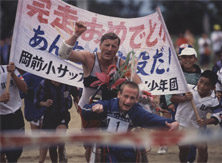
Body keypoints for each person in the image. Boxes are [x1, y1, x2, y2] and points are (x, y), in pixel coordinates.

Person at [58, 21, 142, 161]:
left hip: (113, 110)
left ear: (117, 49)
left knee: (116, 145)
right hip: (89, 109)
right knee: (90, 147)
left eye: (113, 46)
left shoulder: (121, 64)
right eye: (106, 45)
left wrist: (144, 92)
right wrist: (76, 34)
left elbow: (136, 80)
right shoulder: (89, 58)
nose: (109, 49)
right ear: (100, 45)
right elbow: (63, 53)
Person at [81, 81, 179, 162]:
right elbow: (85, 111)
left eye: (132, 98)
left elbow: (153, 119)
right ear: (119, 95)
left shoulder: (137, 111)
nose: (128, 101)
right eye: (125, 96)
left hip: (127, 150)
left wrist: (172, 123)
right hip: (107, 150)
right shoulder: (108, 105)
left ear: (137, 99)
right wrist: (93, 109)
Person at [173, 70, 222, 162]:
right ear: (198, 80)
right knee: (184, 149)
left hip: (197, 128)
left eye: (207, 84)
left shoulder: (213, 100)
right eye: (201, 81)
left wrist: (206, 122)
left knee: (203, 148)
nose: (202, 86)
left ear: (213, 87)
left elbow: (219, 115)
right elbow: (173, 99)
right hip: (181, 124)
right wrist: (184, 98)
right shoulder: (187, 89)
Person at [34, 79, 79, 163]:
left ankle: (62, 152)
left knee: (60, 136)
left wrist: (78, 106)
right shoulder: (44, 84)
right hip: (49, 116)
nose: (56, 82)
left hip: (63, 114)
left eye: (57, 81)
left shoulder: (68, 82)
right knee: (52, 144)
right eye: (53, 81)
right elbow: (36, 102)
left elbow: (76, 96)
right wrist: (45, 103)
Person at [0, 62, 27, 162]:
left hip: (15, 115)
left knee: (15, 153)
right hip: (1, 117)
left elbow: (25, 88)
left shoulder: (9, 69)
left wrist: (13, 74)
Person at [20, 72, 47, 162]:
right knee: (38, 139)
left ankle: (41, 160)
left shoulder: (50, 73)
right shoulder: (26, 77)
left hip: (47, 111)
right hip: (33, 111)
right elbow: (20, 94)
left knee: (44, 139)